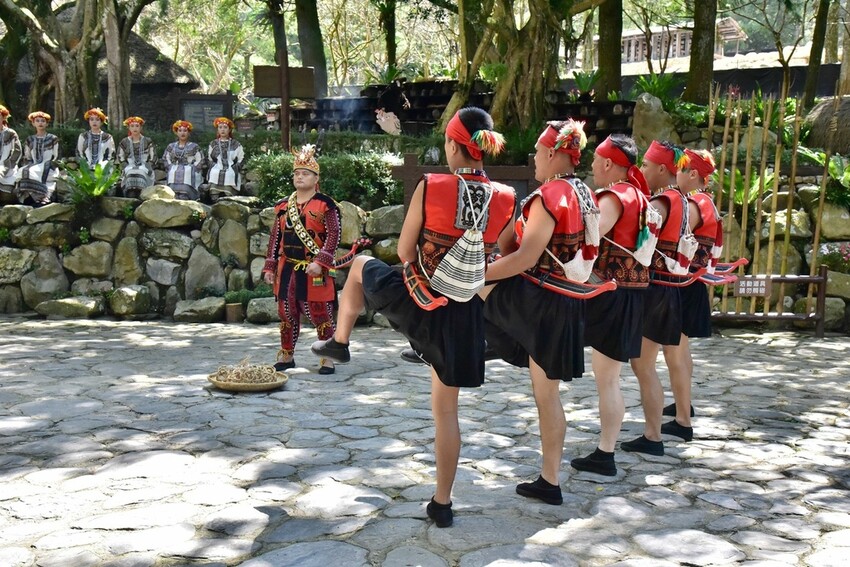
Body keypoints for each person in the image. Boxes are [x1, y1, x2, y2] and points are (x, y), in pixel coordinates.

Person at [310, 107, 516, 527]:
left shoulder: (433, 185)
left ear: (455, 146)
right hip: (464, 314)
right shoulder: (507, 197)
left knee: (360, 264)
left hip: (417, 299)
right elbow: (500, 254)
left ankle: (340, 342)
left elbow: (405, 254)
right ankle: (442, 504)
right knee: (447, 413)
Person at [481, 119, 601, 505]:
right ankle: (549, 480)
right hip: (568, 301)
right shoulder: (584, 192)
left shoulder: (550, 195)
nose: (533, 157)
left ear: (552, 154)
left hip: (541, 301)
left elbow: (525, 257)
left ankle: (451, 343)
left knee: (472, 288)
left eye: (536, 151)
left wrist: (476, 274)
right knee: (547, 395)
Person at [569, 134, 654, 477]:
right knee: (611, 377)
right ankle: (606, 449)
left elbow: (591, 238)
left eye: (594, 162)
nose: (591, 167)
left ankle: (605, 453)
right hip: (632, 293)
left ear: (607, 163)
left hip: (612, 294)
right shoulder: (640, 196)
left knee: (608, 379)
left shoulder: (615, 196)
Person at [623, 140, 700, 457]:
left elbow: (639, 241)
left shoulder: (661, 202)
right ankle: (667, 426)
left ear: (661, 169)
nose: (641, 170)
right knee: (651, 362)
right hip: (671, 288)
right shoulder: (682, 199)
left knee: (643, 365)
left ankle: (652, 435)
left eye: (645, 165)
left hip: (654, 289)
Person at [262, 144, 342, 375]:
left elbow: (334, 236)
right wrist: (270, 266)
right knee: (286, 312)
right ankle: (287, 355)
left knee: (320, 312)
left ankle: (328, 357)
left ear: (316, 178)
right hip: (286, 269)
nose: (299, 177)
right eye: (296, 174)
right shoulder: (283, 206)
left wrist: (321, 262)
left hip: (315, 269)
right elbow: (275, 238)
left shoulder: (326, 205)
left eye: (305, 173)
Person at [659, 148, 721, 441]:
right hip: (692, 283)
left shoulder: (693, 203)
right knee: (680, 353)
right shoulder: (706, 201)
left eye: (680, 170)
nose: (676, 175)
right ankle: (684, 405)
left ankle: (683, 420)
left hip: (683, 283)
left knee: (675, 353)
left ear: (693, 174)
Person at [14, 111, 60, 206]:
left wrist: (50, 165)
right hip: (34, 165)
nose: (40, 123)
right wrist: (29, 165)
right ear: (33, 123)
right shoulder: (30, 139)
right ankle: (30, 197)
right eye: (37, 121)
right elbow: (27, 157)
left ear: (47, 124)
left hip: (48, 166)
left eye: (43, 121)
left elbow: (56, 156)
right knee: (23, 171)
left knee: (31, 172)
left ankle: (44, 197)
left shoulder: (53, 138)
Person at [162, 119, 204, 200]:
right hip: (175, 166)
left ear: (188, 133)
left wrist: (194, 167)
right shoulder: (171, 146)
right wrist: (170, 166)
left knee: (187, 172)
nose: (182, 133)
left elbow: (200, 159)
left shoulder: (194, 146)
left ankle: (187, 194)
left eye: (185, 131)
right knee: (174, 171)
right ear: (176, 133)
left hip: (189, 167)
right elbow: (166, 158)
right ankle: (173, 193)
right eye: (180, 131)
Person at [206, 117, 245, 202]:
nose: (222, 130)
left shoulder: (235, 144)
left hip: (230, 167)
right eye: (220, 127)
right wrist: (213, 165)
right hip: (217, 166)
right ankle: (214, 196)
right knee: (214, 172)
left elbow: (241, 157)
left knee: (229, 174)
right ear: (217, 130)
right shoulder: (213, 144)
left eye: (225, 127)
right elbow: (209, 158)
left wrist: (236, 166)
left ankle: (229, 195)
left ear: (229, 129)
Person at [117, 116, 156, 198]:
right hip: (129, 166)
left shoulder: (148, 141)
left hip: (144, 165)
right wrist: (125, 166)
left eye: (137, 126)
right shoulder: (124, 142)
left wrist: (148, 166)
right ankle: (129, 194)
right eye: (132, 126)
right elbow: (120, 157)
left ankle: (142, 194)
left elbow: (153, 157)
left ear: (141, 127)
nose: (135, 128)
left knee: (141, 171)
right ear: (128, 128)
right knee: (130, 172)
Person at [0, 104, 22, 205]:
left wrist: (7, 165)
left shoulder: (10, 133)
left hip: (7, 165)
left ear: (3, 117)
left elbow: (17, 152)